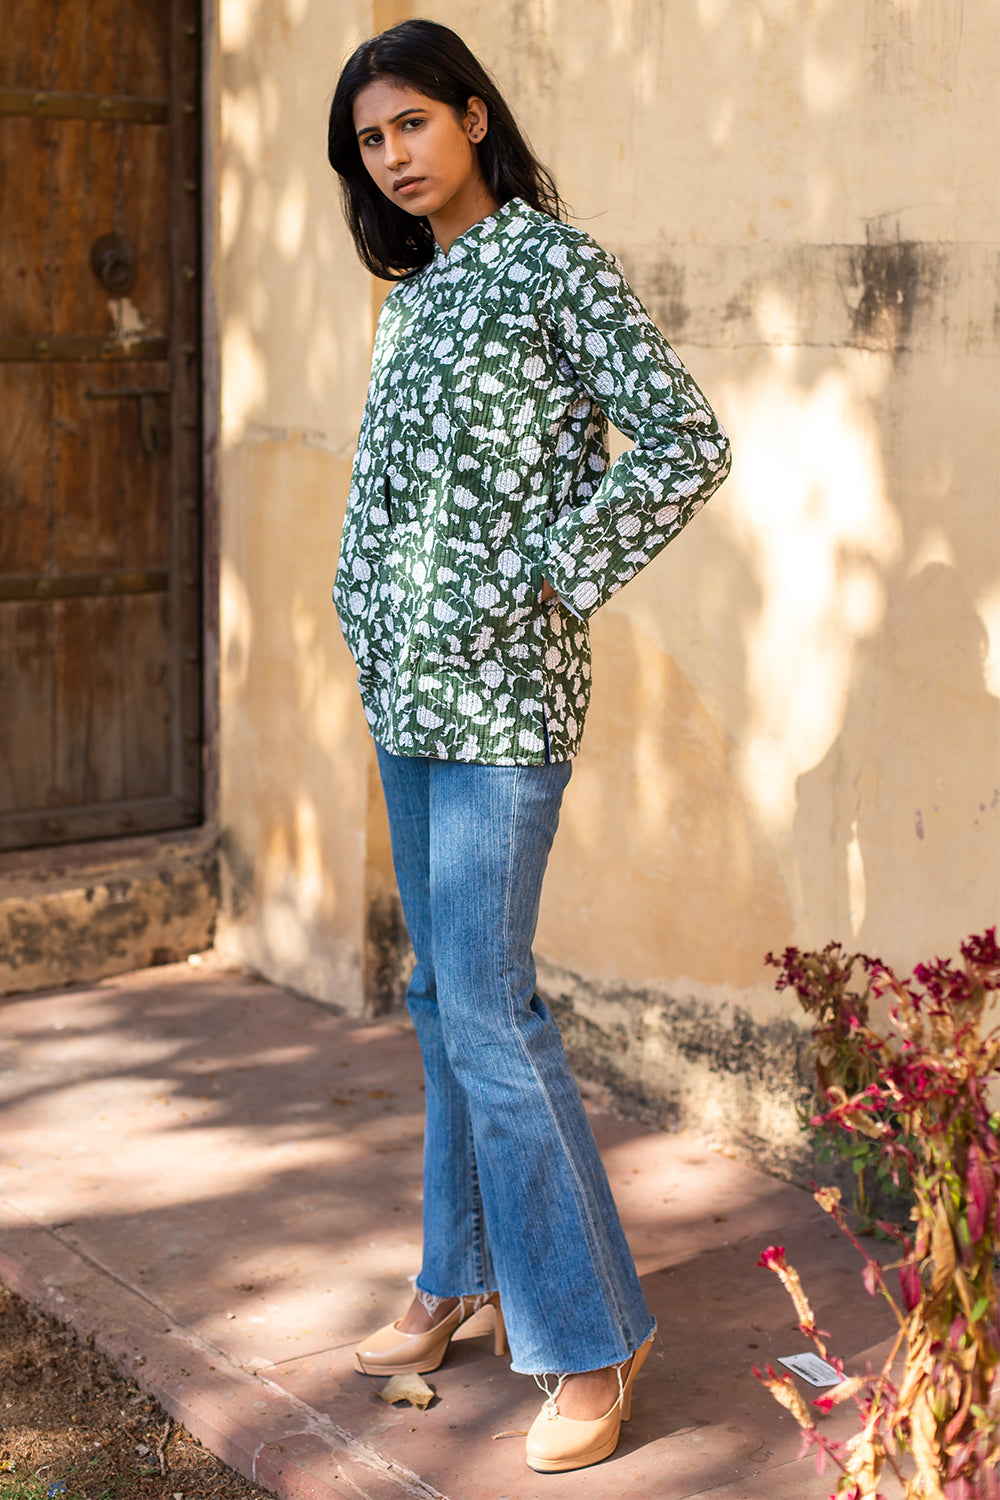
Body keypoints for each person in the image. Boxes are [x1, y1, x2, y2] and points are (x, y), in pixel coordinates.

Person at [326, 19, 730, 1474]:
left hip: (504, 706)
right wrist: (361, 605)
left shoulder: (552, 262)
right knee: (441, 1000)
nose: (395, 157)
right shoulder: (417, 293)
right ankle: (458, 1276)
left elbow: (682, 439)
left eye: (413, 126)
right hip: (409, 698)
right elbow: (391, 491)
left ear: (476, 119)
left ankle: (594, 1335)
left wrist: (546, 572)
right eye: (373, 142)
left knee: (493, 1014)